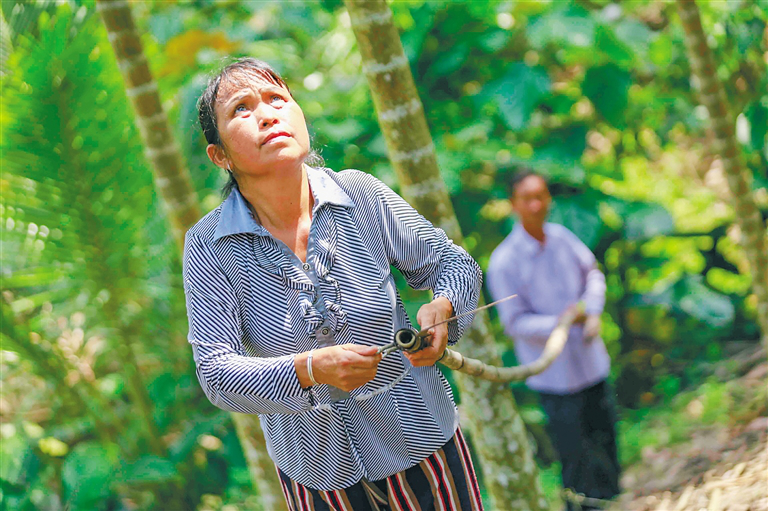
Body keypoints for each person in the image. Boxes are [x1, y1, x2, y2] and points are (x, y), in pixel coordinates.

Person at [184, 57, 485, 510]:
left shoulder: (361, 195)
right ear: (219, 155)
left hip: (425, 447)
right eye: (242, 109)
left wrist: (442, 308)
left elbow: (452, 262)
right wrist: (309, 369)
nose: (268, 114)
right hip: (319, 478)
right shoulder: (209, 246)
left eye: (277, 99)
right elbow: (214, 371)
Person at [486, 169, 621, 511]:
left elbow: (592, 273)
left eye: (541, 196)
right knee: (573, 452)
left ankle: (617, 500)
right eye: (527, 198)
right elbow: (515, 323)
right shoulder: (504, 262)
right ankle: (581, 505)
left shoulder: (561, 237)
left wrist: (591, 312)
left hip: (590, 361)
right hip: (553, 375)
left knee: (605, 439)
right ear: (513, 204)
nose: (536, 204)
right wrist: (559, 322)